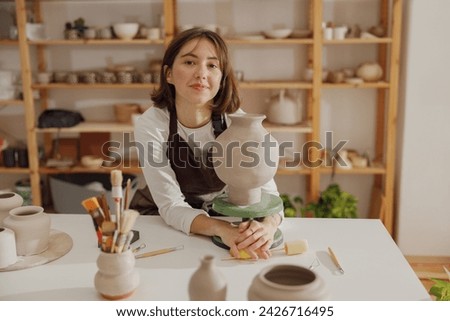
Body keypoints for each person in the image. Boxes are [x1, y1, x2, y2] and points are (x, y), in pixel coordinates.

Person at [131, 28, 283, 259]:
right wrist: (222, 230)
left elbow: (269, 194)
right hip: (164, 220)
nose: (201, 73)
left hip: (221, 217)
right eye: (190, 62)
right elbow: (170, 205)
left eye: (212, 65)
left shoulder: (237, 122)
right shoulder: (151, 124)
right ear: (169, 74)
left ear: (221, 79)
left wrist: (267, 227)